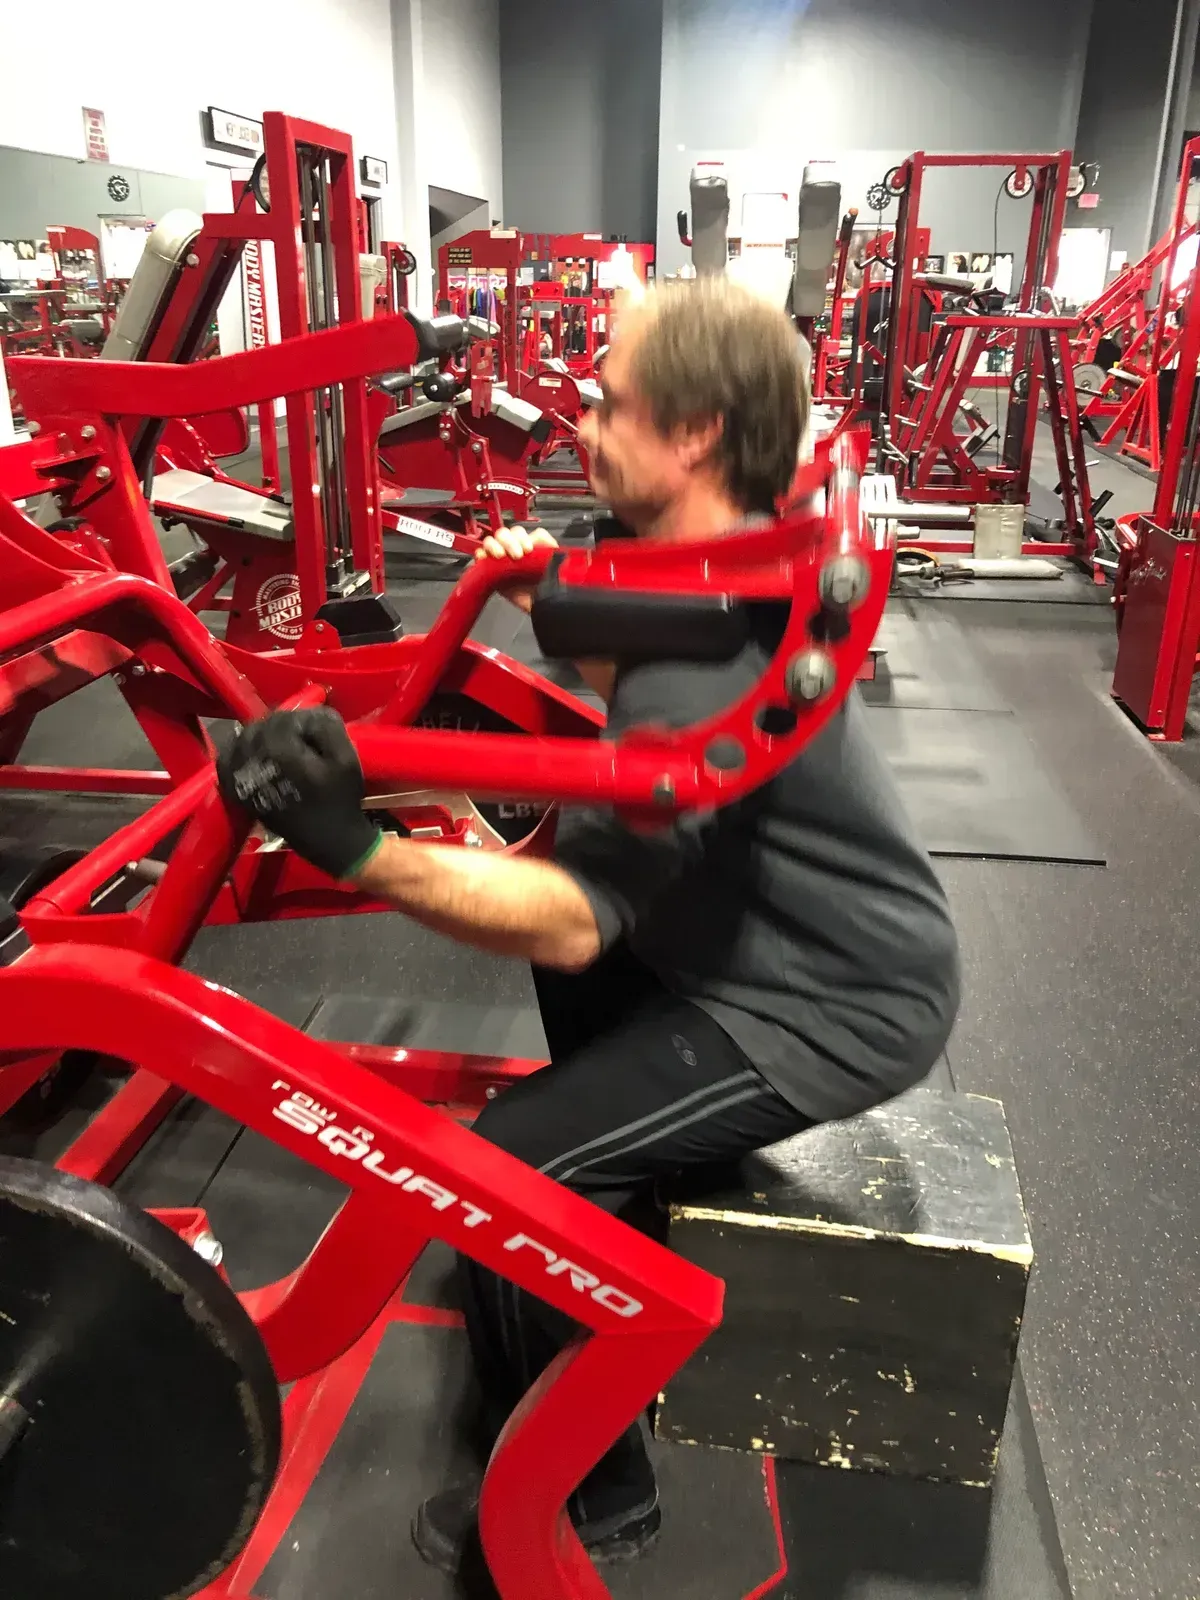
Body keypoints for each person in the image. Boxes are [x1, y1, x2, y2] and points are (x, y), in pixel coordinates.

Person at [218, 277, 960, 1575]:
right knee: (585, 1037)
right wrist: (540, 589)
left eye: (611, 403)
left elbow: (568, 923)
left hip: (825, 1003)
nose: (579, 420)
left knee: (509, 1182)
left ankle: (582, 1487)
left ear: (698, 437)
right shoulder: (734, 553)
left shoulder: (694, 673)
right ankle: (630, 1181)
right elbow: (625, 632)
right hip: (765, 931)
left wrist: (350, 841)